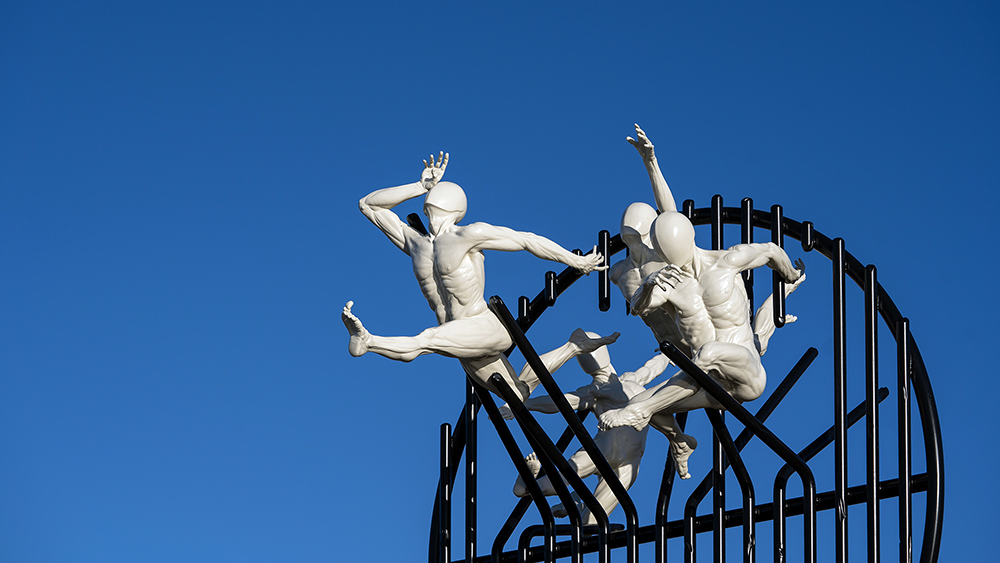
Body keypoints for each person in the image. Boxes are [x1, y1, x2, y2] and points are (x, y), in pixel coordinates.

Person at [342, 152, 606, 400]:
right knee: (518, 394)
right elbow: (368, 205)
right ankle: (573, 347)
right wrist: (419, 186)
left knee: (426, 339)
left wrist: (575, 261)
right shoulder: (416, 244)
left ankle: (369, 341)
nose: (430, 212)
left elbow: (526, 240)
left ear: (452, 209)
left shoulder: (467, 235)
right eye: (428, 207)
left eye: (434, 205)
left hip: (484, 326)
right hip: (457, 333)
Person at [599, 210, 804, 434]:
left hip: (746, 376)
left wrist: (791, 274)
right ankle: (678, 442)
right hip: (713, 389)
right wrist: (647, 284)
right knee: (635, 400)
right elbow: (638, 308)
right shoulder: (670, 284)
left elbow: (771, 250)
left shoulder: (727, 261)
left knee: (709, 353)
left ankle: (642, 411)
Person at [501, 329, 698, 524]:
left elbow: (650, 369)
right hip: (601, 450)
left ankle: (576, 502)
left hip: (630, 461)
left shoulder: (629, 379)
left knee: (593, 523)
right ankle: (525, 484)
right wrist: (525, 405)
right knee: (556, 484)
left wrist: (668, 355)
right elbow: (561, 402)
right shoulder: (594, 391)